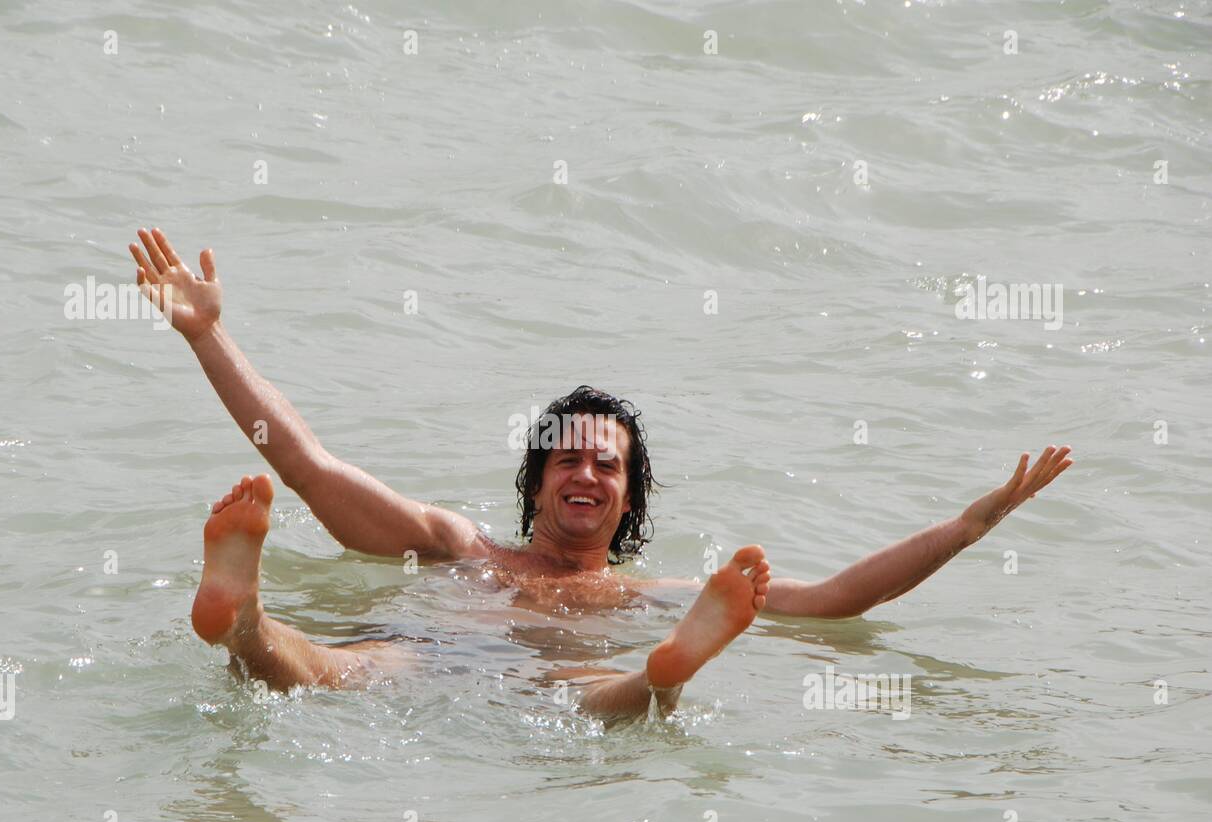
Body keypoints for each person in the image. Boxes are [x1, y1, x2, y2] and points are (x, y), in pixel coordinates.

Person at [129, 227, 1073, 721]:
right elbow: (304, 463)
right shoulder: (457, 545)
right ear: (536, 482)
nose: (586, 470)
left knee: (598, 691)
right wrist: (211, 335)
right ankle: (244, 616)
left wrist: (970, 525)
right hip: (437, 651)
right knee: (344, 665)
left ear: (628, 495)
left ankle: (663, 680)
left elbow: (831, 602)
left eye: (606, 462)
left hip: (566, 678)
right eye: (568, 456)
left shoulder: (650, 595)